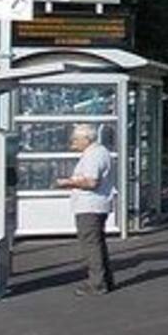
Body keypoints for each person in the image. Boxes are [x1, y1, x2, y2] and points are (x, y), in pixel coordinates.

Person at [56, 124, 115, 296]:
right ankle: (105, 280)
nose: (72, 142)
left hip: (89, 206)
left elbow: (91, 182)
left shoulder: (92, 155)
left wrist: (67, 182)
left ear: (86, 139)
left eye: (75, 139)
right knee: (97, 244)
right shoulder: (101, 152)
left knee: (91, 246)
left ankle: (96, 284)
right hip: (98, 205)